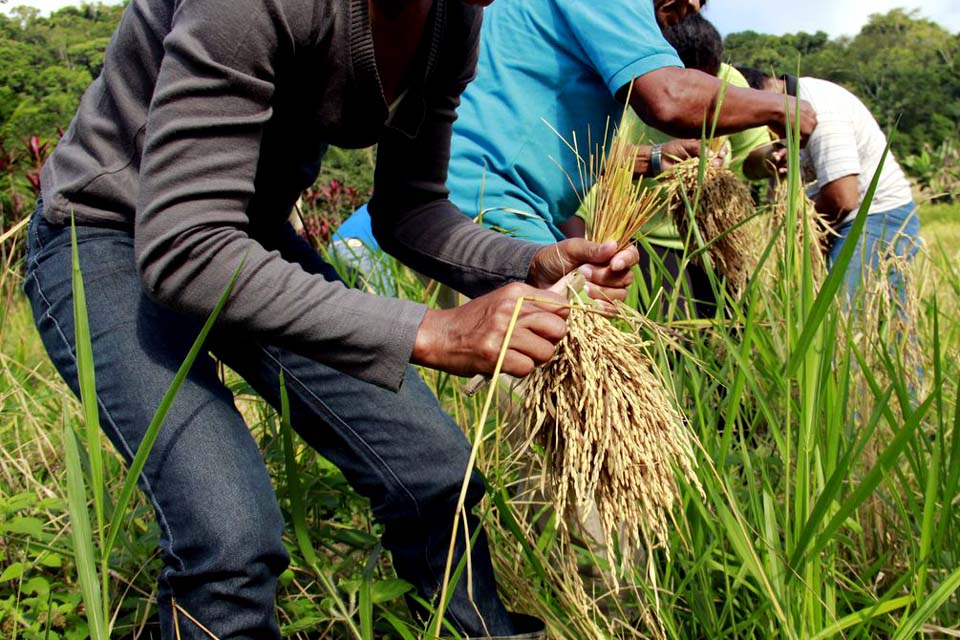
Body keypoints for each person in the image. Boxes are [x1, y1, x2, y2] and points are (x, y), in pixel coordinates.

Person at [23, 0, 640, 638]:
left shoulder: (454, 20)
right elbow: (188, 248)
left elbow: (411, 209)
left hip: (248, 242)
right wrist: (433, 331)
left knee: (435, 473)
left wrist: (529, 261)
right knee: (228, 535)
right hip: (104, 235)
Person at [445, 0, 817, 246]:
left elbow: (561, 148)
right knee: (546, 344)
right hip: (492, 204)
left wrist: (655, 158)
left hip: (474, 202)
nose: (693, 6)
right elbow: (669, 99)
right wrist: (780, 107)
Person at [573, 13, 775, 319]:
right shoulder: (627, 81)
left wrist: (773, 159)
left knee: (733, 333)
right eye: (684, 85)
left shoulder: (729, 80)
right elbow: (588, 156)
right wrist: (655, 158)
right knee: (670, 341)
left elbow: (753, 157)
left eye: (705, 84)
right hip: (647, 240)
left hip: (720, 237)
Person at [738, 68, 920, 298]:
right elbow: (749, 168)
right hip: (835, 220)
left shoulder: (819, 108)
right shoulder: (779, 112)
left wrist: (801, 235)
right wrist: (772, 155)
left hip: (873, 217)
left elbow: (842, 198)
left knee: (840, 314)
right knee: (881, 322)